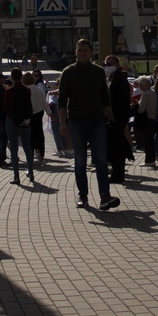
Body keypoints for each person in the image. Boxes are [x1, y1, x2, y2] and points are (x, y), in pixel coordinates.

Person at [58, 39, 119, 210]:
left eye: (85, 50)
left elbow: (105, 97)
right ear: (75, 52)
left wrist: (112, 119)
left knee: (100, 160)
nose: (82, 52)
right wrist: (62, 123)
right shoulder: (68, 72)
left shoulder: (98, 72)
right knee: (80, 161)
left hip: (97, 121)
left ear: (91, 52)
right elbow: (62, 99)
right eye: (79, 50)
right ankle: (82, 195)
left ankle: (104, 196)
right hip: (76, 122)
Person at [104, 55, 134, 186]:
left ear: (116, 65)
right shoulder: (111, 78)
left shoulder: (119, 79)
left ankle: (118, 173)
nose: (106, 66)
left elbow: (120, 101)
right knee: (113, 146)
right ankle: (116, 171)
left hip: (117, 117)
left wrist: (114, 116)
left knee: (117, 147)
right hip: (113, 117)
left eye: (109, 64)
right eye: (105, 64)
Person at [4, 68, 35, 184]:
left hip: (12, 120)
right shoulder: (27, 90)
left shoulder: (9, 91)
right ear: (21, 77)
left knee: (13, 149)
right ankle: (31, 171)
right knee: (27, 147)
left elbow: (5, 107)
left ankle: (16, 176)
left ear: (11, 77)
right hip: (25, 121)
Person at [30, 69, 51, 163]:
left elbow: (43, 100)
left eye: (37, 75)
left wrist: (49, 112)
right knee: (32, 134)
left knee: (37, 133)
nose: (35, 77)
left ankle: (39, 152)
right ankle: (35, 151)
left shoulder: (39, 86)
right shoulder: (31, 87)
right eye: (33, 75)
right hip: (32, 113)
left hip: (37, 112)